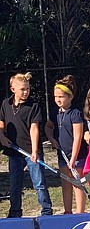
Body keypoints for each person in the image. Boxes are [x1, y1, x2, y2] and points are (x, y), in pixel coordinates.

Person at [0, 72, 53, 218]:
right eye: (23, 89)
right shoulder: (6, 104)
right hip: (14, 151)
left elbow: (34, 128)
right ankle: (15, 212)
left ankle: (46, 211)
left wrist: (35, 151)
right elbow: (1, 124)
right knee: (15, 184)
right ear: (13, 89)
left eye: (28, 89)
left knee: (39, 183)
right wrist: (2, 137)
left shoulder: (33, 105)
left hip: (31, 152)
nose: (26, 92)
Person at [45, 75, 87, 214]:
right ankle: (67, 211)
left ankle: (80, 212)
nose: (58, 99)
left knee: (78, 183)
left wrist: (73, 158)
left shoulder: (75, 114)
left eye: (61, 96)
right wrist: (51, 139)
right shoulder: (55, 113)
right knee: (66, 184)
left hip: (77, 156)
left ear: (70, 97)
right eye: (56, 96)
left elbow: (78, 137)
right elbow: (48, 127)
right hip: (62, 155)